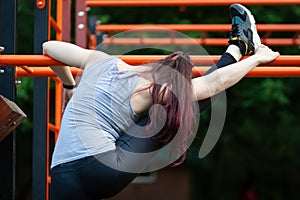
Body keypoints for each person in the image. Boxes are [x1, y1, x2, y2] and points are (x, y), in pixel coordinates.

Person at [44, 4, 279, 200]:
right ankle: (239, 46)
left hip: (61, 174)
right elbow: (214, 85)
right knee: (181, 106)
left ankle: (239, 46)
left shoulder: (99, 61)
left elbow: (49, 49)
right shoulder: (154, 88)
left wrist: (69, 86)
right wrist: (256, 59)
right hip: (105, 168)